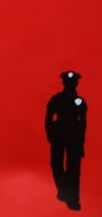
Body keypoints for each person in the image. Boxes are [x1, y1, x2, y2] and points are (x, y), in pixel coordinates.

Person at [46, 70, 86, 211]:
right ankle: (65, 191)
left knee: (73, 168)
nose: (70, 84)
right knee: (56, 164)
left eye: (73, 82)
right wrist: (49, 134)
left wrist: (81, 142)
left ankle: (73, 199)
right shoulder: (56, 99)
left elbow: (82, 123)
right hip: (59, 135)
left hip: (73, 136)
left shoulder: (79, 102)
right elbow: (49, 117)